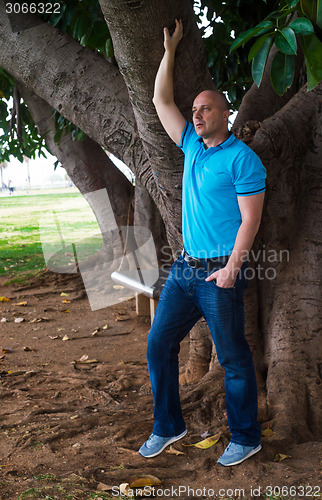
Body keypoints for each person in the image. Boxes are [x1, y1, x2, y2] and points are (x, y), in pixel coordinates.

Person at [139, 19, 266, 467]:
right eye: (195, 109)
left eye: (206, 109)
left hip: (220, 271)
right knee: (159, 345)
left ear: (226, 113)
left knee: (233, 357)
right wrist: (170, 50)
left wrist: (232, 268)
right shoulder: (191, 144)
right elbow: (160, 99)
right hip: (186, 268)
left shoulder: (242, 159)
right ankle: (168, 426)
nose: (196, 115)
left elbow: (250, 219)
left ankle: (246, 436)